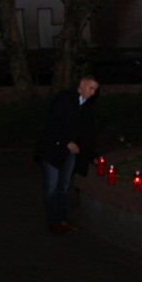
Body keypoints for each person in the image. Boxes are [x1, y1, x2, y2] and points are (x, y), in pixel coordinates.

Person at [33, 74, 100, 235]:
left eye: (95, 90)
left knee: (63, 187)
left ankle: (61, 219)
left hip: (69, 154)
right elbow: (53, 123)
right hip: (52, 151)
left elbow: (87, 135)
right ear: (82, 84)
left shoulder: (87, 107)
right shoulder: (65, 98)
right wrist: (66, 142)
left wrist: (94, 155)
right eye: (91, 88)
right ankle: (53, 222)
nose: (92, 93)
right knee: (51, 187)